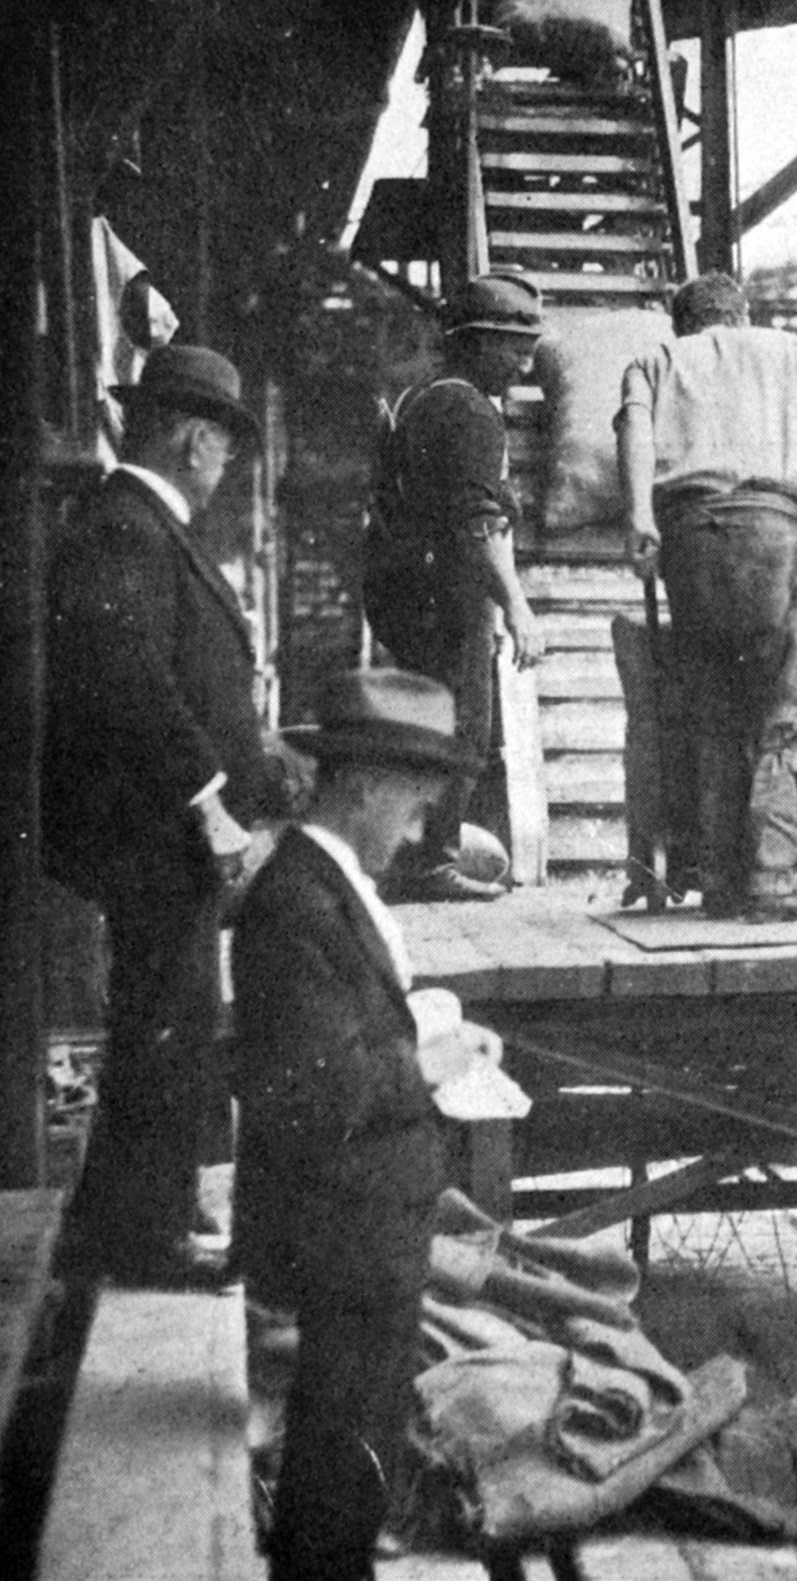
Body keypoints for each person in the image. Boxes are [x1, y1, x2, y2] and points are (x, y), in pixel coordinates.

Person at [230, 667, 503, 1581]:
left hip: (368, 1225)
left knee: (355, 1446)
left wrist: (420, 1024)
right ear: (365, 786)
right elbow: (312, 1090)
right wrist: (427, 1059)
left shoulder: (324, 884)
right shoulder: (296, 901)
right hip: (343, 1230)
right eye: (417, 805)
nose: (421, 829)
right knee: (340, 1454)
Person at [44, 342, 307, 1288]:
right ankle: (143, 1240)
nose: (230, 462)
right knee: (165, 1025)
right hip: (154, 830)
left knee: (169, 1024)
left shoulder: (144, 526)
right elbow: (126, 674)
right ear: (196, 439)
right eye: (226, 443)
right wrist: (209, 802)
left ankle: (128, 1221)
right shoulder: (127, 527)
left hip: (162, 830)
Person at [619, 272, 797, 920]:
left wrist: (640, 516)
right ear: (741, 314)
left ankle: (721, 882)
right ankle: (775, 879)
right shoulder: (787, 350)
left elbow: (635, 433)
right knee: (782, 712)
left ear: (683, 323)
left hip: (690, 537)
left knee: (713, 714)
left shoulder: (653, 359)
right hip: (774, 533)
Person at [363, 270, 548, 902]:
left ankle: (417, 854)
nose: (524, 363)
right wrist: (518, 609)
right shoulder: (469, 411)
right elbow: (477, 524)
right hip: (442, 591)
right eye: (512, 346)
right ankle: (428, 864)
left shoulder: (426, 393)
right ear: (474, 342)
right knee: (462, 728)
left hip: (405, 586)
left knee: (428, 725)